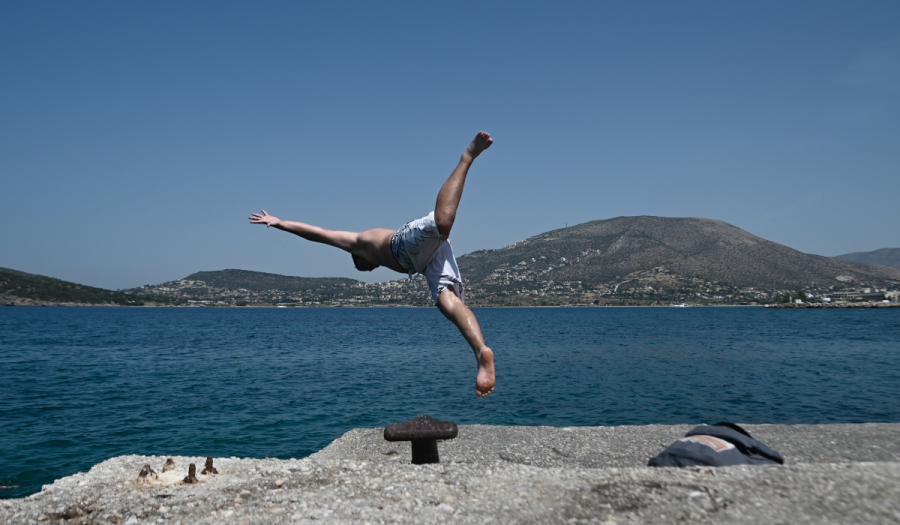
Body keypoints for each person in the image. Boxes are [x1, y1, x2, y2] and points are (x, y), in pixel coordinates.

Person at [249, 132, 495, 397]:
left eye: (361, 268)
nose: (367, 270)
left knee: (442, 223)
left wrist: (279, 223)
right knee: (447, 301)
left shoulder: (358, 242)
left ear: (358, 257)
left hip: (403, 244)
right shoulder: (377, 259)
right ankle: (480, 351)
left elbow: (317, 233)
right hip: (425, 262)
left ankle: (466, 157)